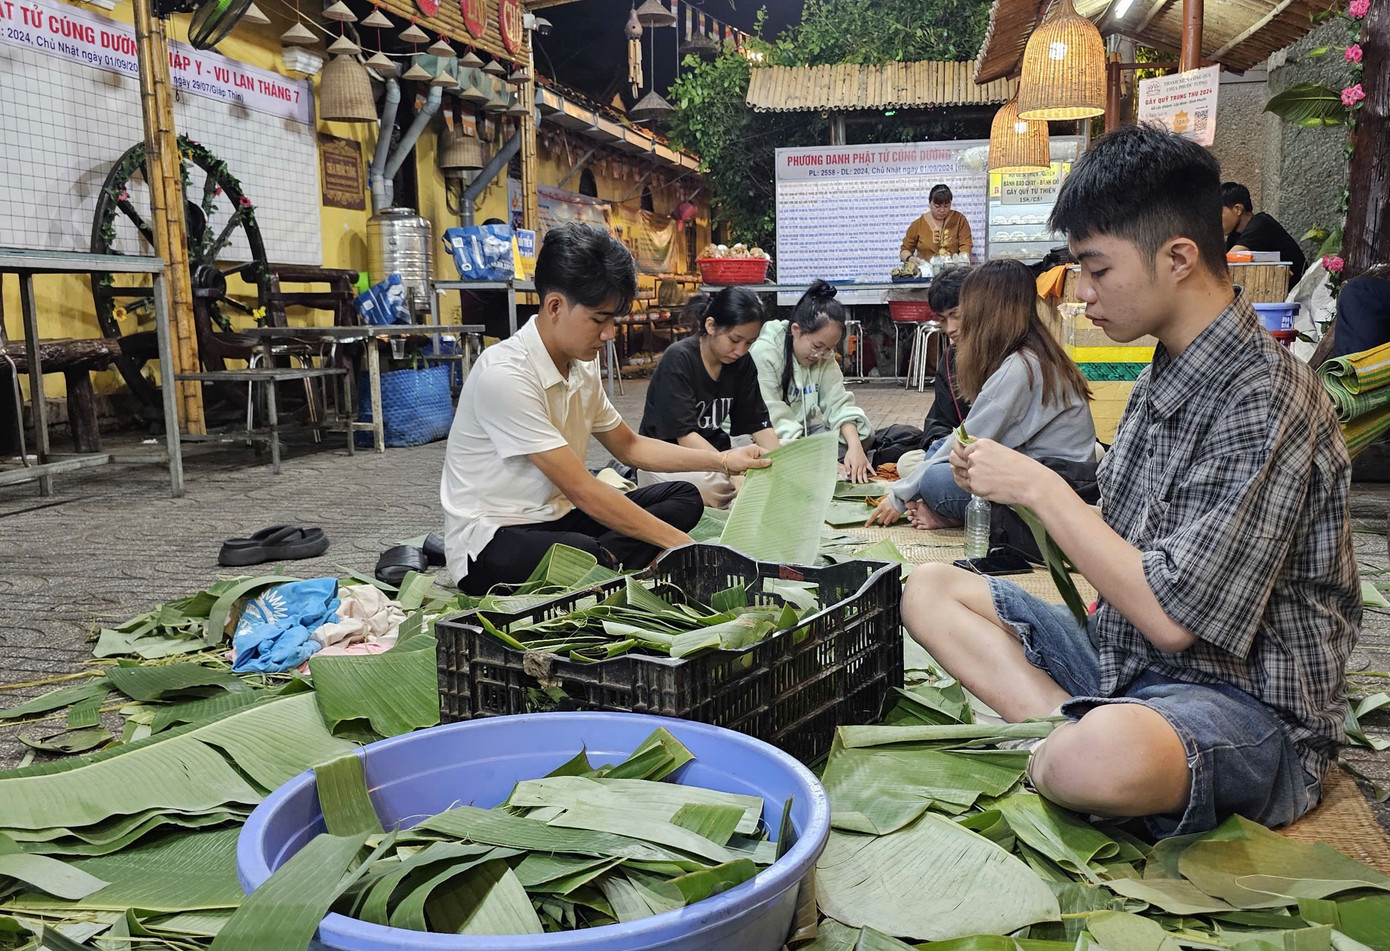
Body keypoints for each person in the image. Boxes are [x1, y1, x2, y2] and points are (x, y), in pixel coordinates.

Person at [904, 124, 1358, 838]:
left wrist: (1038, 487)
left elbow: (1174, 622)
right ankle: (1064, 737)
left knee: (1103, 758)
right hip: (1126, 667)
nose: (1082, 293)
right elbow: (1120, 554)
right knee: (928, 590)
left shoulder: (1269, 398)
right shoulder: (1158, 378)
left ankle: (1069, 745)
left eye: (1097, 269)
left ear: (1178, 257)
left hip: (1243, 707)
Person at [440, 223, 770, 594]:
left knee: (683, 497)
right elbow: (582, 489)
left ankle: (606, 563)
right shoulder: (504, 375)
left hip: (559, 516)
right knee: (580, 550)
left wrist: (725, 461)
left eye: (614, 320)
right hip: (494, 537)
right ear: (555, 307)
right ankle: (606, 562)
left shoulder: (582, 366)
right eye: (600, 319)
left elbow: (630, 447)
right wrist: (683, 545)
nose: (610, 333)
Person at [868, 259, 1094, 530]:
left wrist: (898, 498)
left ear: (988, 311)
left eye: (962, 312)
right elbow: (960, 438)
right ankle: (945, 511)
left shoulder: (1021, 368)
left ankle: (951, 516)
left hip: (1057, 489)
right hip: (1035, 469)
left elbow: (969, 440)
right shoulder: (1028, 355)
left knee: (934, 481)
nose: (952, 327)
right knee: (939, 448)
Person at [636, 287, 781, 508]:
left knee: (783, 452)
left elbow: (759, 424)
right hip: (672, 464)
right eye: (734, 340)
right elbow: (685, 437)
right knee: (707, 487)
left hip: (718, 457)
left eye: (749, 343)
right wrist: (732, 472)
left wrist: (783, 467)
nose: (740, 350)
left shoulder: (742, 363)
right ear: (711, 325)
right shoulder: (678, 359)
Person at [750, 280, 875, 482]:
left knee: (862, 434)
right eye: (817, 345)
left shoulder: (824, 356)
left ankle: (845, 460)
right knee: (766, 450)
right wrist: (816, 459)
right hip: (767, 436)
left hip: (801, 439)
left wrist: (855, 447)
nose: (821, 354)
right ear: (796, 330)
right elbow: (773, 419)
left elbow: (838, 403)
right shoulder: (765, 353)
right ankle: (815, 463)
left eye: (829, 348)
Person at [920, 265, 972, 445]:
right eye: (942, 320)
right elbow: (940, 420)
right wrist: (937, 441)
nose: (950, 329)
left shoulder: (1007, 355)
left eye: (955, 315)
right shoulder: (951, 358)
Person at [1221, 182, 1306, 288]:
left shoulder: (1261, 223)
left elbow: (1226, 261)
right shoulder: (1235, 234)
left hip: (1296, 293)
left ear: (1237, 209)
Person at [900, 184, 973, 263]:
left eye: (946, 206)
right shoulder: (918, 224)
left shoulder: (959, 220)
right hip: (926, 271)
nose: (942, 210)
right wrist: (910, 259)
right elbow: (905, 251)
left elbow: (966, 246)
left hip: (952, 272)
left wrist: (963, 259)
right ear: (930, 203)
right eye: (937, 206)